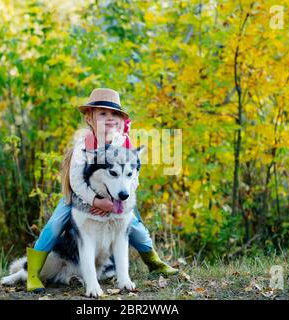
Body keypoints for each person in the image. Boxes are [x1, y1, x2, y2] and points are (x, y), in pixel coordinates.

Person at [26, 88, 178, 292]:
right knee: (54, 225)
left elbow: (134, 178)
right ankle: (33, 273)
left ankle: (154, 263)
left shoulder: (124, 142)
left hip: (118, 197)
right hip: (81, 196)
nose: (110, 118)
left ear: (121, 119)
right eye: (103, 113)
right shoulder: (84, 144)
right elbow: (77, 181)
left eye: (115, 114)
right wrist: (96, 202)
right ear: (90, 118)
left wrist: (120, 200)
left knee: (137, 229)